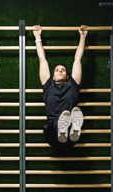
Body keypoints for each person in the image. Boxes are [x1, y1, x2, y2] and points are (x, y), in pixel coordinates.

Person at [33, 25, 88, 153]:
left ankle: (71, 129)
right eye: (57, 70)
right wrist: (37, 37)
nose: (60, 71)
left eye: (63, 70)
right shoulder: (48, 85)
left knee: (67, 121)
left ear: (67, 76)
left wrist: (82, 37)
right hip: (53, 135)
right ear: (52, 76)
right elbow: (42, 60)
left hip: (70, 139)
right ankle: (64, 130)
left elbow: (77, 59)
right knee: (55, 125)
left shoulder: (73, 85)